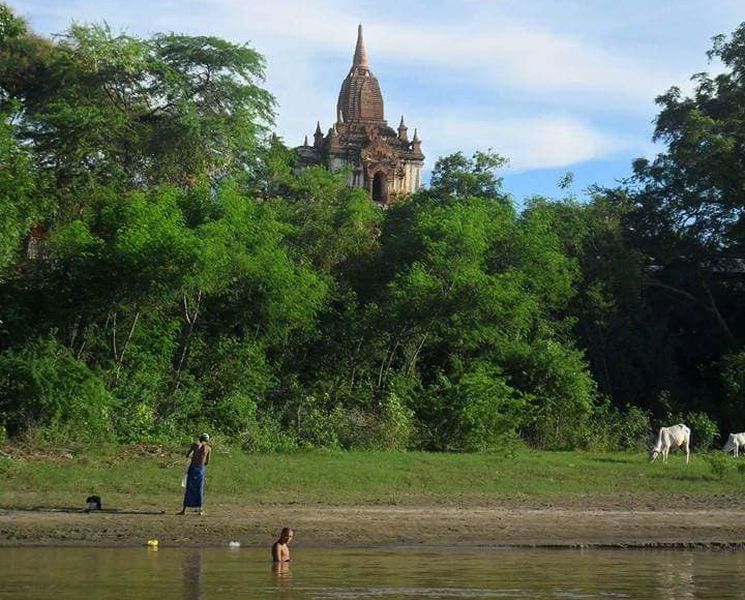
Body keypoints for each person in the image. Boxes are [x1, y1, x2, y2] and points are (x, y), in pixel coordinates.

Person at [179, 433, 211, 515]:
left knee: (189, 488)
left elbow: (187, 455)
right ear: (207, 440)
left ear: (200, 438)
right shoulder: (208, 448)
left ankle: (184, 510)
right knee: (199, 488)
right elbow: (207, 462)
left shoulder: (194, 445)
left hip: (192, 467)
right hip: (200, 469)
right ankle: (200, 510)